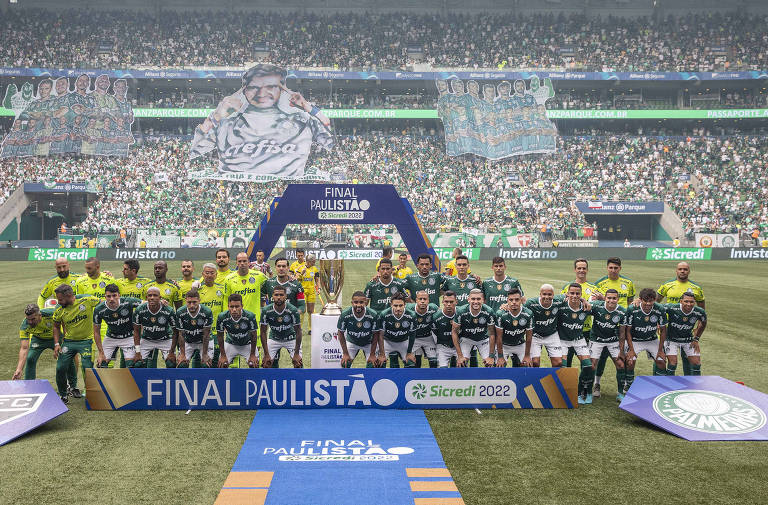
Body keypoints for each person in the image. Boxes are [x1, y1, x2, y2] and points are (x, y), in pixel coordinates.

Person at [593, 257, 635, 398]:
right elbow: (594, 303)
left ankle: (623, 386)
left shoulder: (628, 283)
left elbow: (630, 303)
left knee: (621, 358)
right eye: (610, 267)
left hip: (621, 324)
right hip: (605, 325)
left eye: (616, 268)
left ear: (620, 268)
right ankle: (596, 384)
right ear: (607, 268)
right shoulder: (599, 283)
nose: (613, 270)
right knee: (601, 358)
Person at [52, 285, 101, 403]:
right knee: (60, 368)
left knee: (86, 366)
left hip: (86, 341)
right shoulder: (59, 309)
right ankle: (63, 395)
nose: (59, 302)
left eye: (60, 299)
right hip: (69, 342)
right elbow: (56, 326)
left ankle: (91, 392)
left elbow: (103, 303)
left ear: (69, 296)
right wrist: (57, 344)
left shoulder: (87, 300)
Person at [656, 261, 705, 375]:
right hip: (667, 327)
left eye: (685, 269)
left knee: (688, 357)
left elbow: (701, 311)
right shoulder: (667, 285)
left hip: (686, 328)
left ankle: (688, 382)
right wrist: (658, 322)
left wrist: (697, 329)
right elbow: (656, 303)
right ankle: (659, 379)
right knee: (662, 356)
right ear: (676, 270)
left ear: (689, 271)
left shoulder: (696, 288)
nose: (682, 271)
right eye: (680, 269)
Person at [13, 304, 77, 388]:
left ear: (40, 315)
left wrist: (66, 340)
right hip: (38, 339)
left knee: (67, 357)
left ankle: (73, 387)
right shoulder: (25, 325)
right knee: (30, 358)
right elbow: (24, 348)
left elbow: (66, 321)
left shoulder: (52, 313)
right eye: (28, 319)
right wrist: (19, 369)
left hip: (56, 337)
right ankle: (29, 386)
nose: (30, 322)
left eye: (33, 319)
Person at [585, 289, 627, 402]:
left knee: (620, 364)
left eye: (614, 298)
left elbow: (622, 333)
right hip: (596, 339)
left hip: (612, 341)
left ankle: (620, 393)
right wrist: (584, 301)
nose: (611, 300)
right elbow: (584, 307)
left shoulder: (622, 311)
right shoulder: (597, 306)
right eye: (609, 298)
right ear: (605, 298)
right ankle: (589, 391)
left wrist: (622, 350)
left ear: (618, 299)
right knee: (592, 365)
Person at [556, 283, 594, 403]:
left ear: (581, 294)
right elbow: (547, 299)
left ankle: (581, 391)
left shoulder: (586, 307)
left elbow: (604, 306)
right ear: (567, 294)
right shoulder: (561, 306)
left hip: (578, 339)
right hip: (562, 341)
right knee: (563, 366)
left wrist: (585, 301)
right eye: (572, 293)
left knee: (588, 366)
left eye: (577, 293)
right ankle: (562, 392)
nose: (574, 295)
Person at [623, 288, 668, 387]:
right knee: (630, 361)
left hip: (651, 339)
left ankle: (660, 385)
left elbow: (663, 330)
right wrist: (631, 349)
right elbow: (628, 331)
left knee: (661, 361)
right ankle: (628, 385)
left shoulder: (659, 309)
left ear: (655, 300)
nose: (648, 303)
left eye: (651, 301)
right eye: (645, 300)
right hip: (635, 340)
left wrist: (660, 350)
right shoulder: (632, 309)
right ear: (640, 299)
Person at [93, 284, 142, 367]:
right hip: (111, 337)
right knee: (101, 364)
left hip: (128, 337)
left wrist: (160, 302)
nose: (111, 299)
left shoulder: (127, 301)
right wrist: (101, 353)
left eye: (114, 296)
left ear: (119, 295)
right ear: (105, 297)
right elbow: (96, 332)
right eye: (108, 296)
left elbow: (146, 303)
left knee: (131, 365)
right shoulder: (99, 309)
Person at [561, 258, 597, 368]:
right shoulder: (567, 288)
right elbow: (563, 305)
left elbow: (596, 307)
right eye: (579, 268)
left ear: (587, 270)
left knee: (586, 363)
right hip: (567, 331)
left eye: (584, 268)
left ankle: (584, 385)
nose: (581, 270)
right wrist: (583, 299)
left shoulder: (593, 288)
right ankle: (566, 384)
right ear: (575, 270)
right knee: (566, 362)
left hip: (585, 330)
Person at [131, 286, 178, 369]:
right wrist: (137, 352)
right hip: (147, 339)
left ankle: (168, 381)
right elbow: (136, 331)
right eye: (150, 295)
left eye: (155, 295)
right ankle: (143, 381)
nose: (152, 298)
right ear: (146, 297)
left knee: (171, 364)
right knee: (138, 364)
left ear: (160, 297)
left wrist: (171, 352)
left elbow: (175, 332)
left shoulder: (168, 310)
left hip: (165, 339)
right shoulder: (139, 310)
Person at [663, 292, 706, 376]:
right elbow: (656, 308)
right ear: (681, 301)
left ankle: (695, 386)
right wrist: (659, 323)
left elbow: (703, 323)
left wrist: (696, 339)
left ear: (695, 302)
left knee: (696, 363)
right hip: (671, 339)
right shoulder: (672, 308)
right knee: (673, 363)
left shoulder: (699, 312)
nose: (689, 304)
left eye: (691, 302)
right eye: (686, 301)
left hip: (688, 340)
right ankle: (668, 385)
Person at [523, 284, 567, 367]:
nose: (547, 297)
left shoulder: (558, 300)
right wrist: (507, 306)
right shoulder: (531, 303)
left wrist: (584, 301)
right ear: (540, 294)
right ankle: (536, 379)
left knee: (558, 363)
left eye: (550, 294)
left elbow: (570, 295)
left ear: (553, 295)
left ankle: (553, 380)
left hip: (552, 334)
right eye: (544, 294)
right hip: (536, 336)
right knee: (535, 363)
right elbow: (520, 310)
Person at [260, 285, 303, 368]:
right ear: (272, 296)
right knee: (266, 364)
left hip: (290, 338)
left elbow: (298, 331)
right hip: (274, 338)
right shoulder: (266, 310)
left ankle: (299, 380)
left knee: (298, 364)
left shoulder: (292, 310)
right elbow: (262, 332)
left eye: (281, 295)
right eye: (276, 295)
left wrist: (296, 354)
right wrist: (266, 354)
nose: (279, 297)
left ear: (286, 296)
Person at [452, 289, 496, 367]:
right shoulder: (461, 311)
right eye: (473, 299)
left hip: (483, 339)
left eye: (478, 299)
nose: (475, 301)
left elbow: (492, 334)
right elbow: (454, 332)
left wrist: (491, 356)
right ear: (468, 299)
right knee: (461, 363)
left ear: (483, 300)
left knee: (490, 364)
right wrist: (460, 356)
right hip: (466, 339)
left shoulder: (489, 311)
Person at [337, 291, 380, 368]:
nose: (358, 305)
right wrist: (345, 354)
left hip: (368, 343)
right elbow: (340, 333)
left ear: (366, 302)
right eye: (355, 302)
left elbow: (376, 334)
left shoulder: (373, 314)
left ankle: (368, 379)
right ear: (352, 303)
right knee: (345, 364)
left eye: (361, 302)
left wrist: (372, 354)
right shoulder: (345, 314)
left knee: (373, 365)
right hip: (352, 342)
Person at [216, 293, 259, 368]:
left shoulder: (250, 316)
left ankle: (253, 379)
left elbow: (254, 336)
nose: (234, 309)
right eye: (231, 307)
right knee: (223, 364)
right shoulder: (222, 317)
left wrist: (252, 355)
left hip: (247, 344)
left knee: (254, 364)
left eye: (237, 306)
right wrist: (223, 355)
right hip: (231, 343)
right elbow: (220, 336)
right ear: (228, 307)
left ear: (242, 306)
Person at [176, 289, 214, 368]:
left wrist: (204, 354)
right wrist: (182, 354)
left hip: (203, 342)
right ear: (185, 300)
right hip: (188, 341)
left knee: (205, 364)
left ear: (199, 301)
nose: (192, 305)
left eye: (194, 302)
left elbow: (206, 335)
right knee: (182, 364)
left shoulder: (207, 312)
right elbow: (181, 334)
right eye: (189, 302)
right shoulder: (180, 312)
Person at [223, 252, 267, 320]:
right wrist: (226, 318)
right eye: (240, 261)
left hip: (255, 318)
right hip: (236, 319)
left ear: (249, 262)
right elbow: (226, 300)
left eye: (244, 261)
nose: (242, 263)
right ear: (236, 263)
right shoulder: (229, 279)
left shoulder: (259, 276)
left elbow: (271, 284)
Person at [495, 289, 533, 368]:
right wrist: (501, 357)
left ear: (521, 300)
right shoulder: (501, 314)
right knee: (498, 366)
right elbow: (499, 337)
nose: (514, 302)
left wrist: (527, 355)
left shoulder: (528, 314)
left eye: (517, 299)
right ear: (507, 301)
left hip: (519, 344)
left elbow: (529, 338)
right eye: (511, 300)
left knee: (528, 365)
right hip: (504, 345)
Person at [198, 263, 227, 366]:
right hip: (201, 331)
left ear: (216, 275)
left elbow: (225, 310)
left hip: (217, 331)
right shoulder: (197, 289)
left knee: (216, 360)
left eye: (212, 273)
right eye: (207, 273)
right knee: (199, 360)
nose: (209, 275)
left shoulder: (222, 289)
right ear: (203, 274)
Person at [377, 293, 417, 368]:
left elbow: (412, 335)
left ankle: (405, 379)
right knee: (379, 363)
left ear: (405, 305)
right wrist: (382, 354)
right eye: (395, 306)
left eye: (401, 305)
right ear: (391, 305)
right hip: (387, 342)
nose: (398, 308)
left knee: (410, 363)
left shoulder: (411, 315)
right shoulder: (384, 314)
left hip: (403, 342)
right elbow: (380, 335)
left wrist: (409, 352)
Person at [406, 291, 439, 368]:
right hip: (413, 339)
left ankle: (432, 379)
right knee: (410, 363)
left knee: (434, 362)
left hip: (428, 337)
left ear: (428, 300)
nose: (422, 301)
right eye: (420, 299)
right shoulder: (408, 308)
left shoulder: (433, 308)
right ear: (416, 300)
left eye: (425, 299)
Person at [431, 291, 459, 368]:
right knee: (443, 370)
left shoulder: (461, 313)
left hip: (459, 346)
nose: (449, 304)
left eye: (451, 302)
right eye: (446, 302)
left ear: (456, 302)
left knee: (461, 367)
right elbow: (434, 334)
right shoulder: (436, 317)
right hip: (443, 346)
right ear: (442, 302)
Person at [298, 254, 319, 329]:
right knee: (302, 310)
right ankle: (299, 328)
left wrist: (318, 288)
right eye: (313, 262)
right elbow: (296, 279)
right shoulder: (300, 268)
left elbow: (317, 279)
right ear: (308, 261)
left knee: (311, 310)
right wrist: (301, 273)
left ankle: (311, 328)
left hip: (311, 291)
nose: (314, 263)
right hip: (302, 291)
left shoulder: (315, 269)